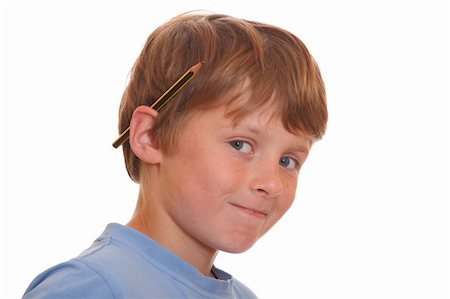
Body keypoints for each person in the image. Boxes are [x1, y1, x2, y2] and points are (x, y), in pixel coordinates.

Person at [23, 12, 327, 298]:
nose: (271, 183)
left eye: (288, 161)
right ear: (149, 137)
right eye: (240, 145)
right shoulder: (89, 287)